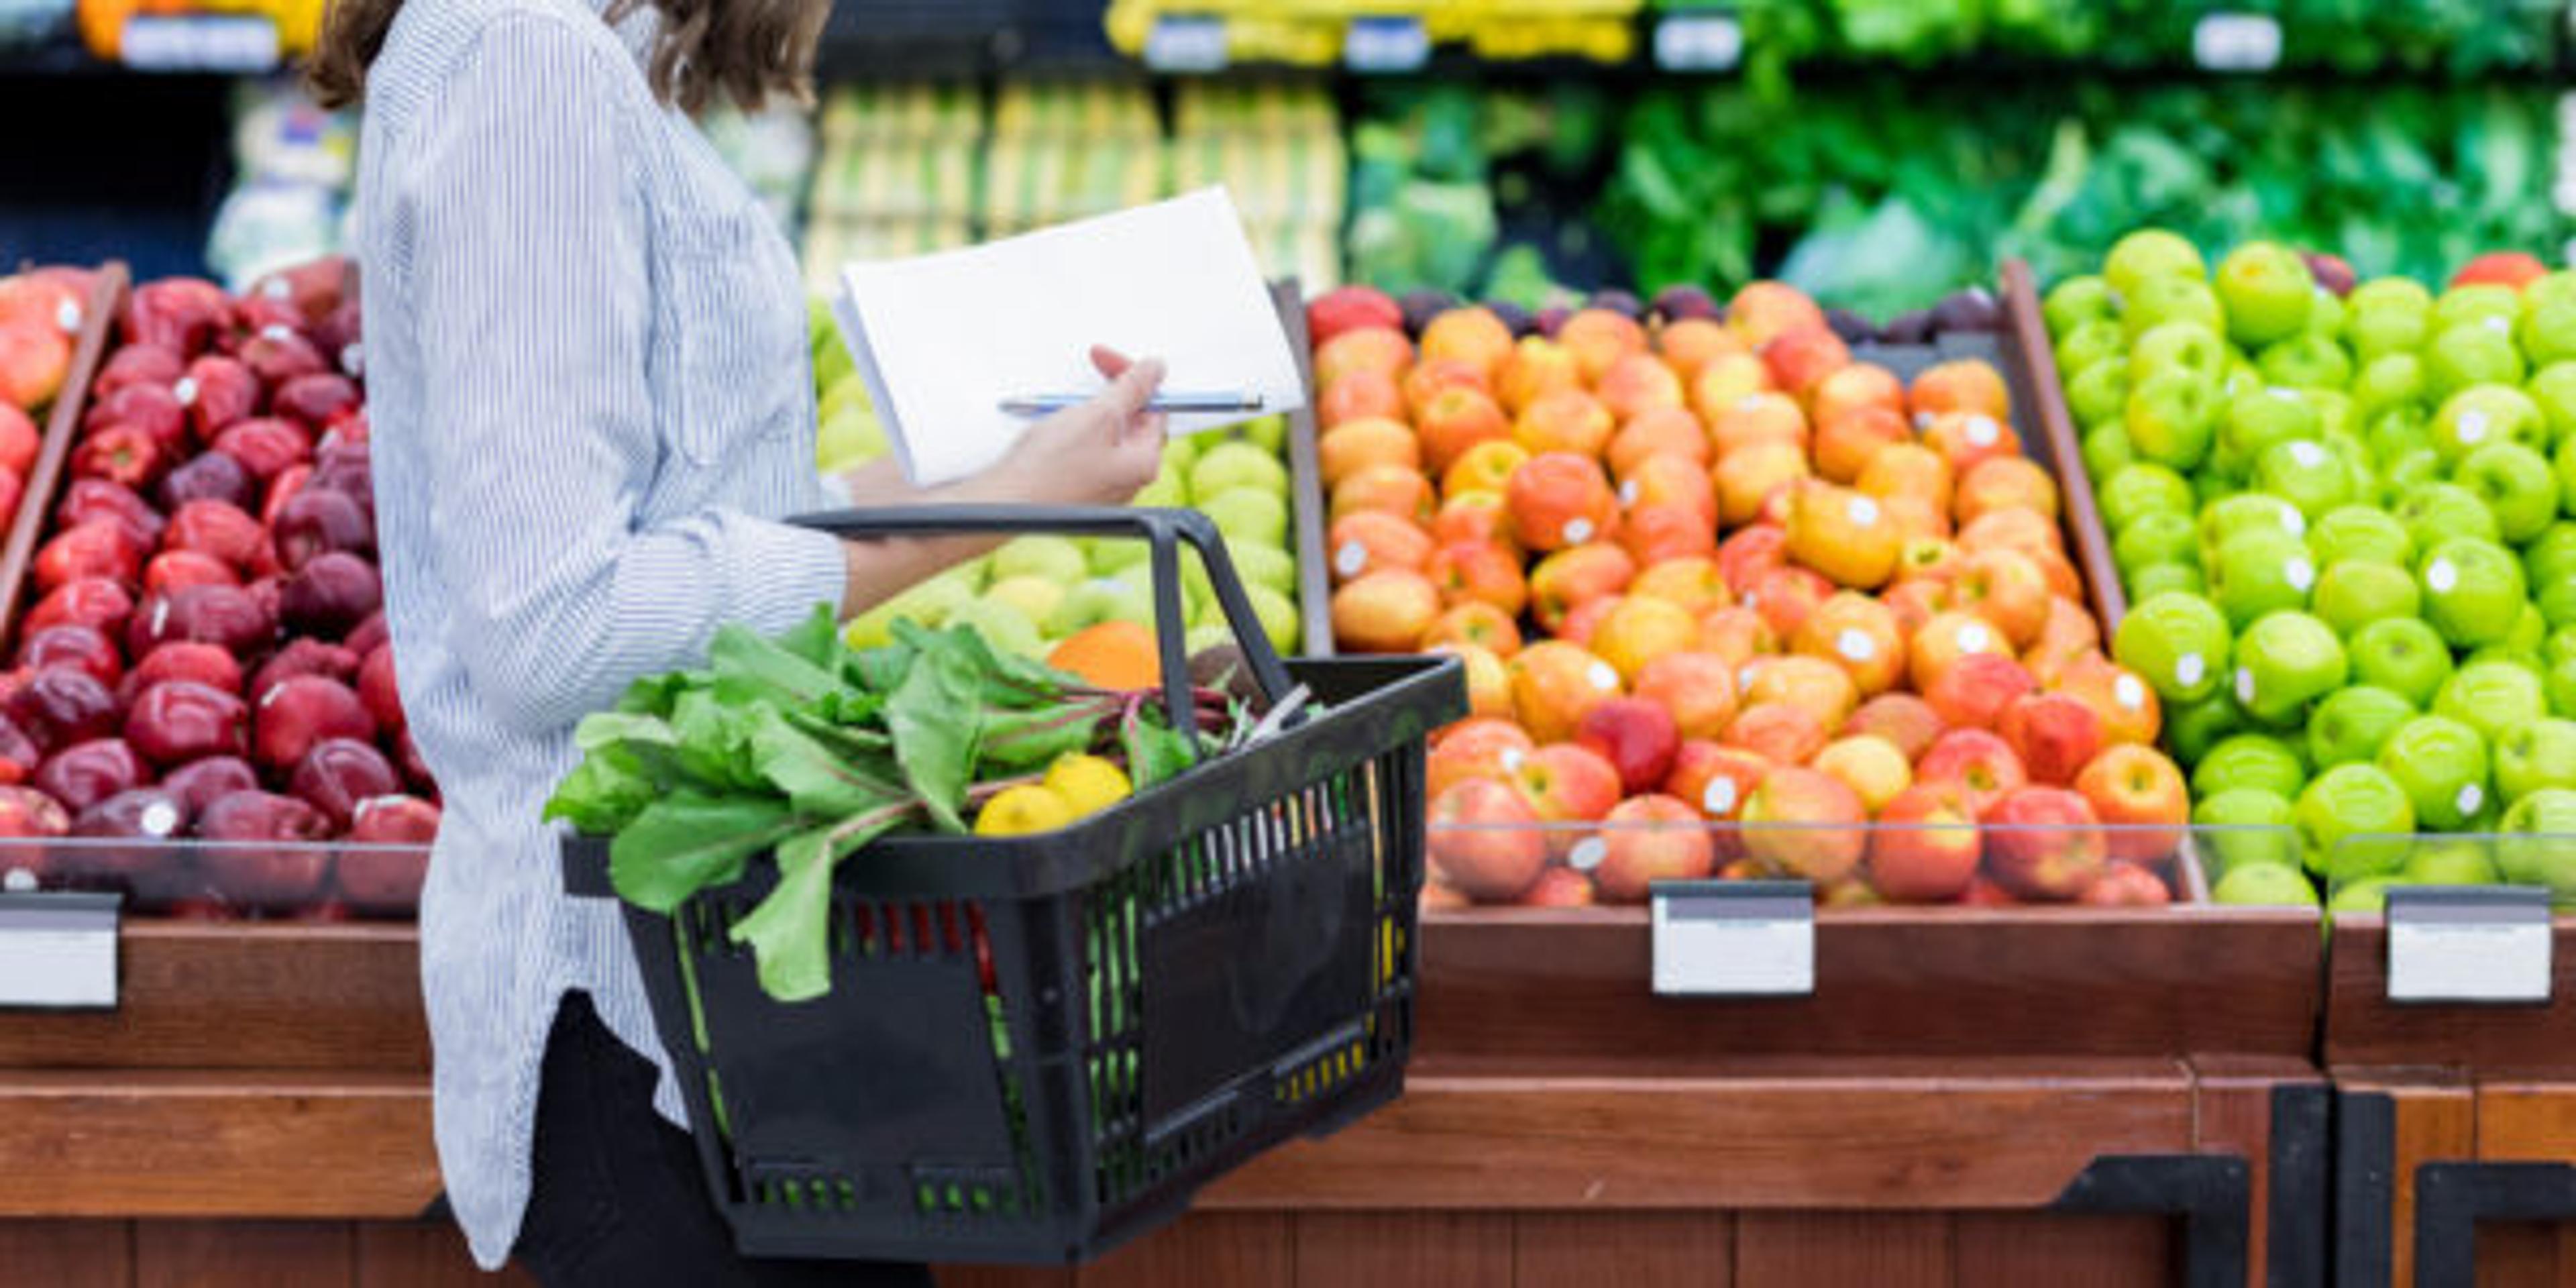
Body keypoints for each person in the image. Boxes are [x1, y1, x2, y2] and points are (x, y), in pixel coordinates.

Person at [309, 0, 1168, 1281]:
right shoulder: (523, 61)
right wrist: (970, 527)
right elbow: (555, 625)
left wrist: (1008, 476)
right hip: (632, 1024)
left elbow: (694, 526)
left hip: (724, 1009)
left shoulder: (555, 52)